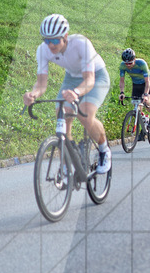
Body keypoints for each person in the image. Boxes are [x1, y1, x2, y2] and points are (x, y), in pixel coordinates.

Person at [23, 14, 112, 174]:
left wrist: (76, 92)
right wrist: (33, 94)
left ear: (65, 36)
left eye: (55, 40)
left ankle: (104, 150)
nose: (51, 45)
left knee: (85, 113)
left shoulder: (81, 44)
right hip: (72, 77)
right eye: (47, 40)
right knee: (62, 113)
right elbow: (41, 84)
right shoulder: (42, 50)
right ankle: (68, 161)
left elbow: (89, 80)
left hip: (96, 76)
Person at [118, 47, 150, 119]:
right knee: (137, 105)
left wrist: (146, 94)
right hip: (136, 84)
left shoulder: (141, 64)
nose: (128, 65)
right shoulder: (122, 66)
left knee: (146, 101)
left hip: (146, 82)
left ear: (134, 59)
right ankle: (142, 119)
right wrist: (121, 92)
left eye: (130, 63)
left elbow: (147, 82)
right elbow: (122, 81)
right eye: (126, 63)